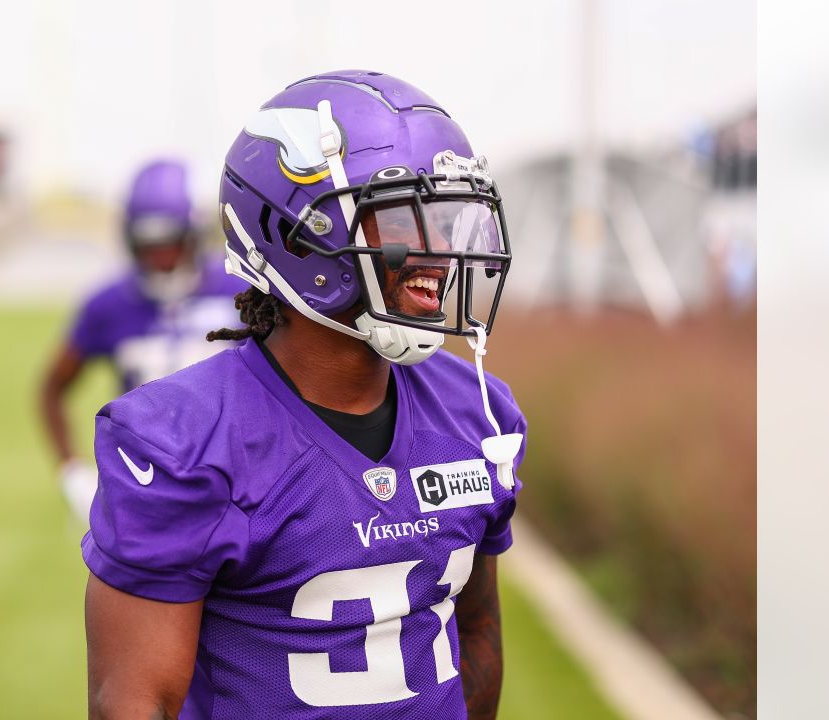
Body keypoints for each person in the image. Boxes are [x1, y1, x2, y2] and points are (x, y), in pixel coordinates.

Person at [82, 70, 526, 719]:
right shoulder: (181, 440)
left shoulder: (477, 413)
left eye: (447, 218)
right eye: (405, 221)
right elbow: (132, 702)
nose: (438, 252)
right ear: (298, 237)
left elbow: (476, 631)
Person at [40, 159, 245, 521]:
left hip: (238, 478)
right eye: (149, 246)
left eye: (170, 244)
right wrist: (72, 471)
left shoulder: (239, 292)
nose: (161, 259)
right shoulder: (109, 305)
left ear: (192, 235)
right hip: (148, 484)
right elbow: (52, 388)